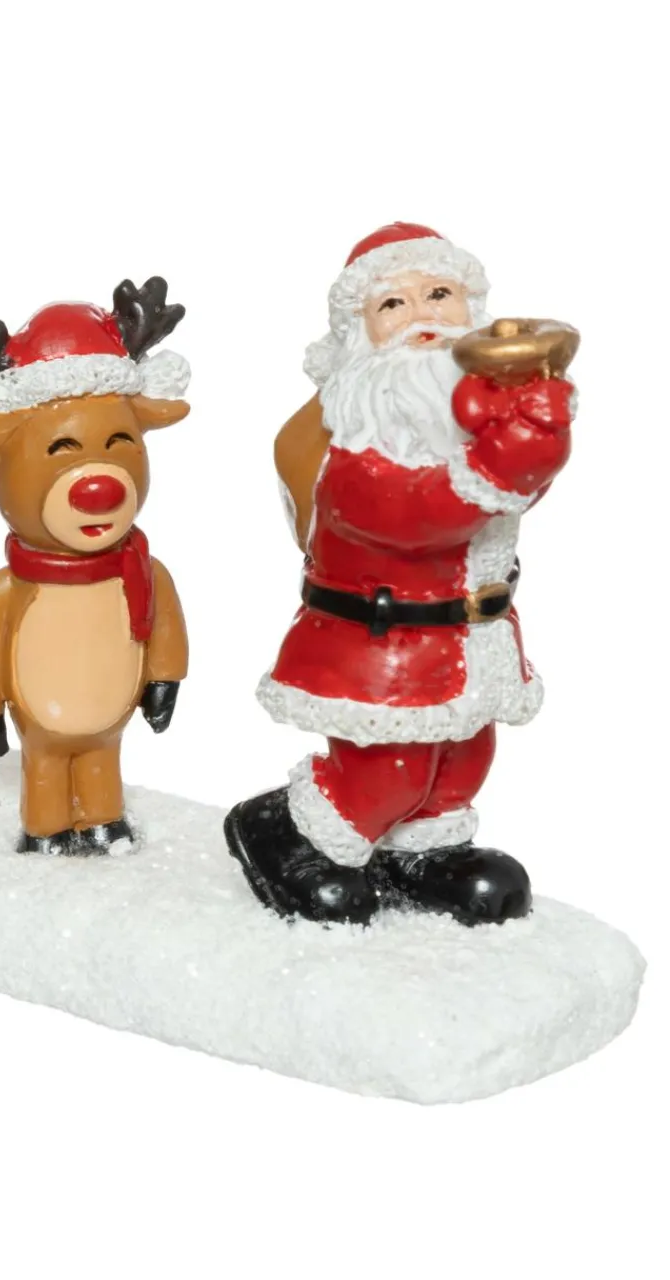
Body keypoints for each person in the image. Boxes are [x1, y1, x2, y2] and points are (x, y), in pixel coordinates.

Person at [225, 222, 575, 926]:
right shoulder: (356, 436)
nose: (422, 314)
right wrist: (501, 464)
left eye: (439, 293)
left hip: (472, 639)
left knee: (463, 757)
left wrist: (534, 441)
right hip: (385, 647)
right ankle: (287, 832)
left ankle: (424, 852)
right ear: (360, 334)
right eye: (393, 303)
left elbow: (507, 496)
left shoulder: (467, 418)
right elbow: (412, 515)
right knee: (391, 768)